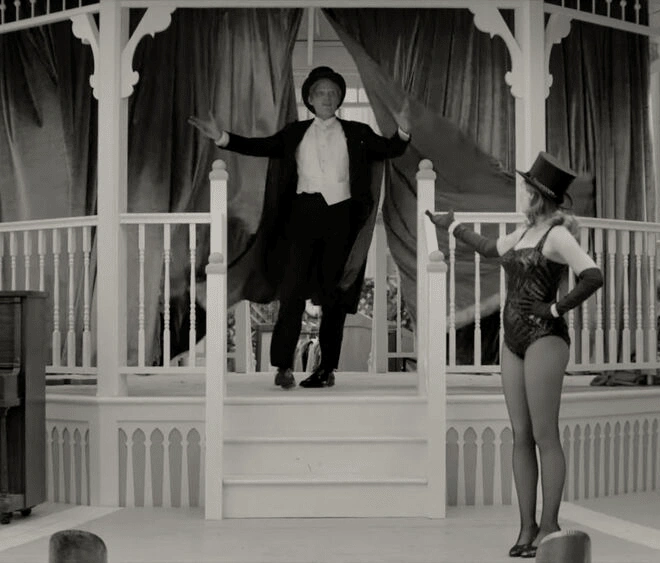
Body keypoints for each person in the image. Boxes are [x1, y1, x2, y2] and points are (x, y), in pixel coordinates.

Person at [427, 151, 603, 559]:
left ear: (540, 195)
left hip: (545, 339)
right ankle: (526, 527)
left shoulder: (557, 235)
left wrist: (555, 309)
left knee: (544, 434)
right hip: (513, 340)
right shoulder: (524, 233)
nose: (523, 194)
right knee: (520, 435)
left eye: (527, 189)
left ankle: (549, 525)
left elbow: (593, 275)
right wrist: (451, 225)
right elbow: (489, 248)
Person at [189, 66, 411, 389]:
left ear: (339, 99)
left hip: (342, 217)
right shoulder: (295, 132)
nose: (327, 97)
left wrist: (403, 129)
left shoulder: (359, 132)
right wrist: (223, 137)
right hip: (301, 216)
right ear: (309, 98)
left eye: (333, 93)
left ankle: (326, 368)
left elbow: (391, 149)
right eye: (321, 92)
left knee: (334, 295)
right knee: (291, 290)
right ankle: (283, 366)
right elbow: (262, 146)